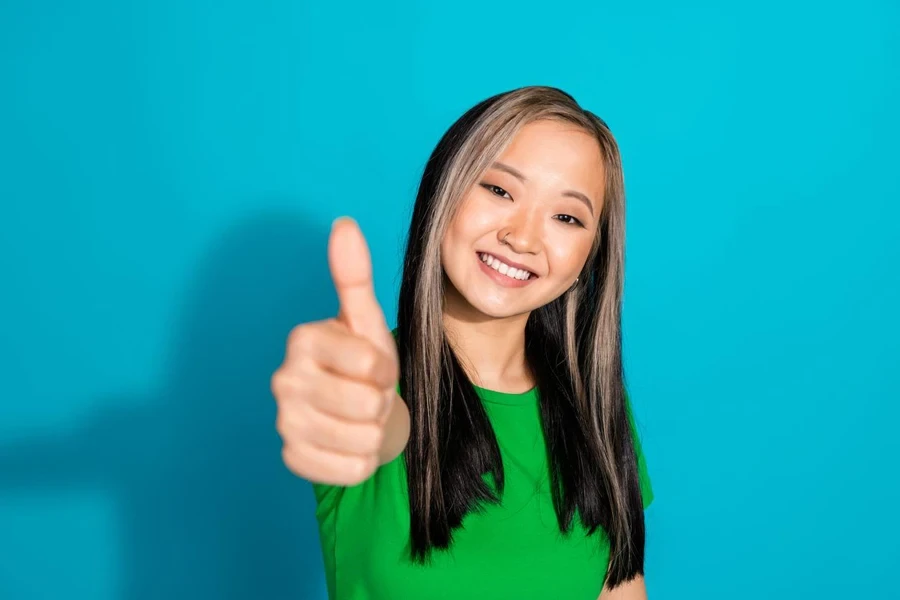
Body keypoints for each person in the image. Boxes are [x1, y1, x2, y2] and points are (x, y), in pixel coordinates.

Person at [270, 85, 655, 599]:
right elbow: (381, 422)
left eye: (566, 217)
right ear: (444, 187)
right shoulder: (376, 391)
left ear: (591, 255)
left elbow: (620, 589)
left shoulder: (596, 404)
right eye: (499, 190)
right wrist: (345, 396)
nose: (522, 237)